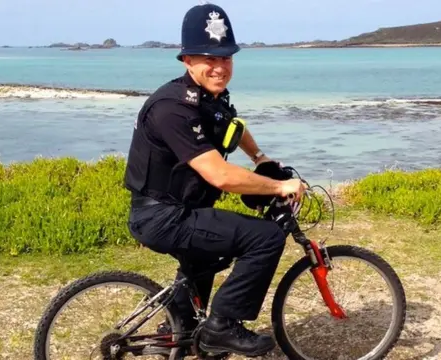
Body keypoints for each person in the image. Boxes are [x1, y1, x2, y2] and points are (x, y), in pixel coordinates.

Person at [123, 2, 307, 357]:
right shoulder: (172, 108)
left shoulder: (210, 98)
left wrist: (259, 157)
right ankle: (221, 327)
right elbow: (218, 174)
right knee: (266, 238)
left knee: (204, 260)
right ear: (187, 60)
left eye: (226, 57)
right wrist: (279, 186)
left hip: (181, 210)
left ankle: (176, 333)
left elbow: (233, 126)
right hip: (163, 216)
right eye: (209, 57)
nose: (219, 66)